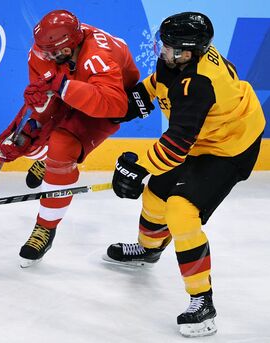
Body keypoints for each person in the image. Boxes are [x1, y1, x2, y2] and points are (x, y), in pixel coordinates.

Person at [103, 12, 265, 337]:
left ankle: (202, 301)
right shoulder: (179, 61)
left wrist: (139, 168)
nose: (160, 50)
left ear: (186, 52)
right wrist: (122, 106)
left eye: (166, 46)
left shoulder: (199, 85)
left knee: (180, 210)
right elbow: (158, 88)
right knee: (154, 195)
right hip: (202, 137)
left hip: (229, 148)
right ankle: (149, 249)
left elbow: (176, 145)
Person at [0, 9, 140, 267]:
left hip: (111, 98)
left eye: (52, 54)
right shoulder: (46, 49)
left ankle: (45, 227)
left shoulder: (97, 57)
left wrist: (63, 87)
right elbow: (42, 99)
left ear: (69, 47)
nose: (44, 57)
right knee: (37, 140)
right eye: (43, 51)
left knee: (62, 146)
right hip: (73, 85)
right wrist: (23, 131)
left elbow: (115, 103)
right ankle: (49, 162)